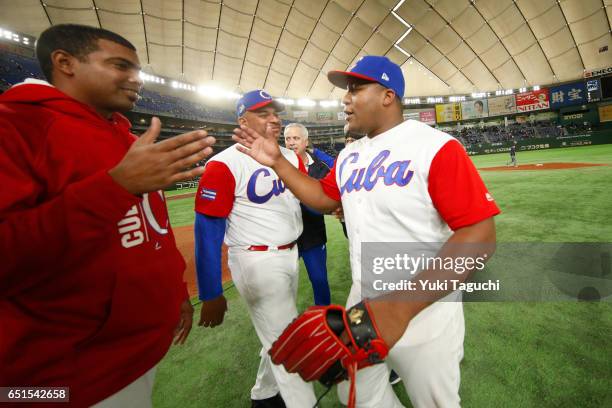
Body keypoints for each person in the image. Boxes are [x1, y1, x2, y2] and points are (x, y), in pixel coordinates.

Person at [233, 55, 499, 408]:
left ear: (388, 96)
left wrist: (399, 309)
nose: (345, 99)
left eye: (356, 89)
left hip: (425, 309)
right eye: (346, 90)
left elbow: (480, 235)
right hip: (363, 301)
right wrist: (279, 162)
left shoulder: (436, 148)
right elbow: (323, 198)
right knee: (355, 393)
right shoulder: (349, 155)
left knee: (435, 402)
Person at [0, 24, 216, 407]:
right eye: (120, 66)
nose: (137, 79)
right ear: (64, 62)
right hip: (59, 379)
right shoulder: (14, 126)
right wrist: (114, 187)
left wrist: (175, 293)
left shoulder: (129, 139)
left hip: (135, 354)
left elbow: (153, 230)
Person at [193, 90, 317, 407]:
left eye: (275, 112)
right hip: (255, 260)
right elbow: (207, 230)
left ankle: (264, 397)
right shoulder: (223, 164)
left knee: (275, 332)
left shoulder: (291, 157)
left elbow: (306, 202)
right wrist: (210, 292)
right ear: (243, 120)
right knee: (289, 340)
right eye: (264, 113)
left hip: (290, 254)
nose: (274, 118)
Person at [284, 122, 331, 306]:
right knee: (283, 285)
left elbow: (324, 202)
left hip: (313, 237)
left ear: (305, 141)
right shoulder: (274, 165)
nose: (291, 143)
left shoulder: (319, 167)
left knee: (319, 281)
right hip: (284, 238)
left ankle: (324, 318)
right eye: (288, 138)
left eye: (296, 138)